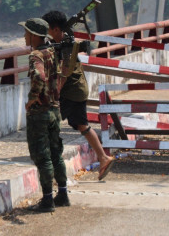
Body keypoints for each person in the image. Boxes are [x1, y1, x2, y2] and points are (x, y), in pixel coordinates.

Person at [42, 10, 115, 183]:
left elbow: (65, 73)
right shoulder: (66, 42)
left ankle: (50, 159)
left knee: (49, 120)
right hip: (77, 90)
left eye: (49, 30)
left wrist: (55, 92)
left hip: (72, 92)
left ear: (56, 29)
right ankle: (103, 157)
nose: (48, 34)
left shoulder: (67, 47)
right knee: (82, 125)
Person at [20, 17, 69, 213]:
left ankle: (48, 199)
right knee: (56, 153)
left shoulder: (36, 55)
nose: (24, 36)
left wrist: (32, 98)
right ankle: (63, 194)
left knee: (42, 156)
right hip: (54, 110)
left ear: (33, 35)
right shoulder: (52, 52)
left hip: (39, 113)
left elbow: (39, 77)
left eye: (26, 33)